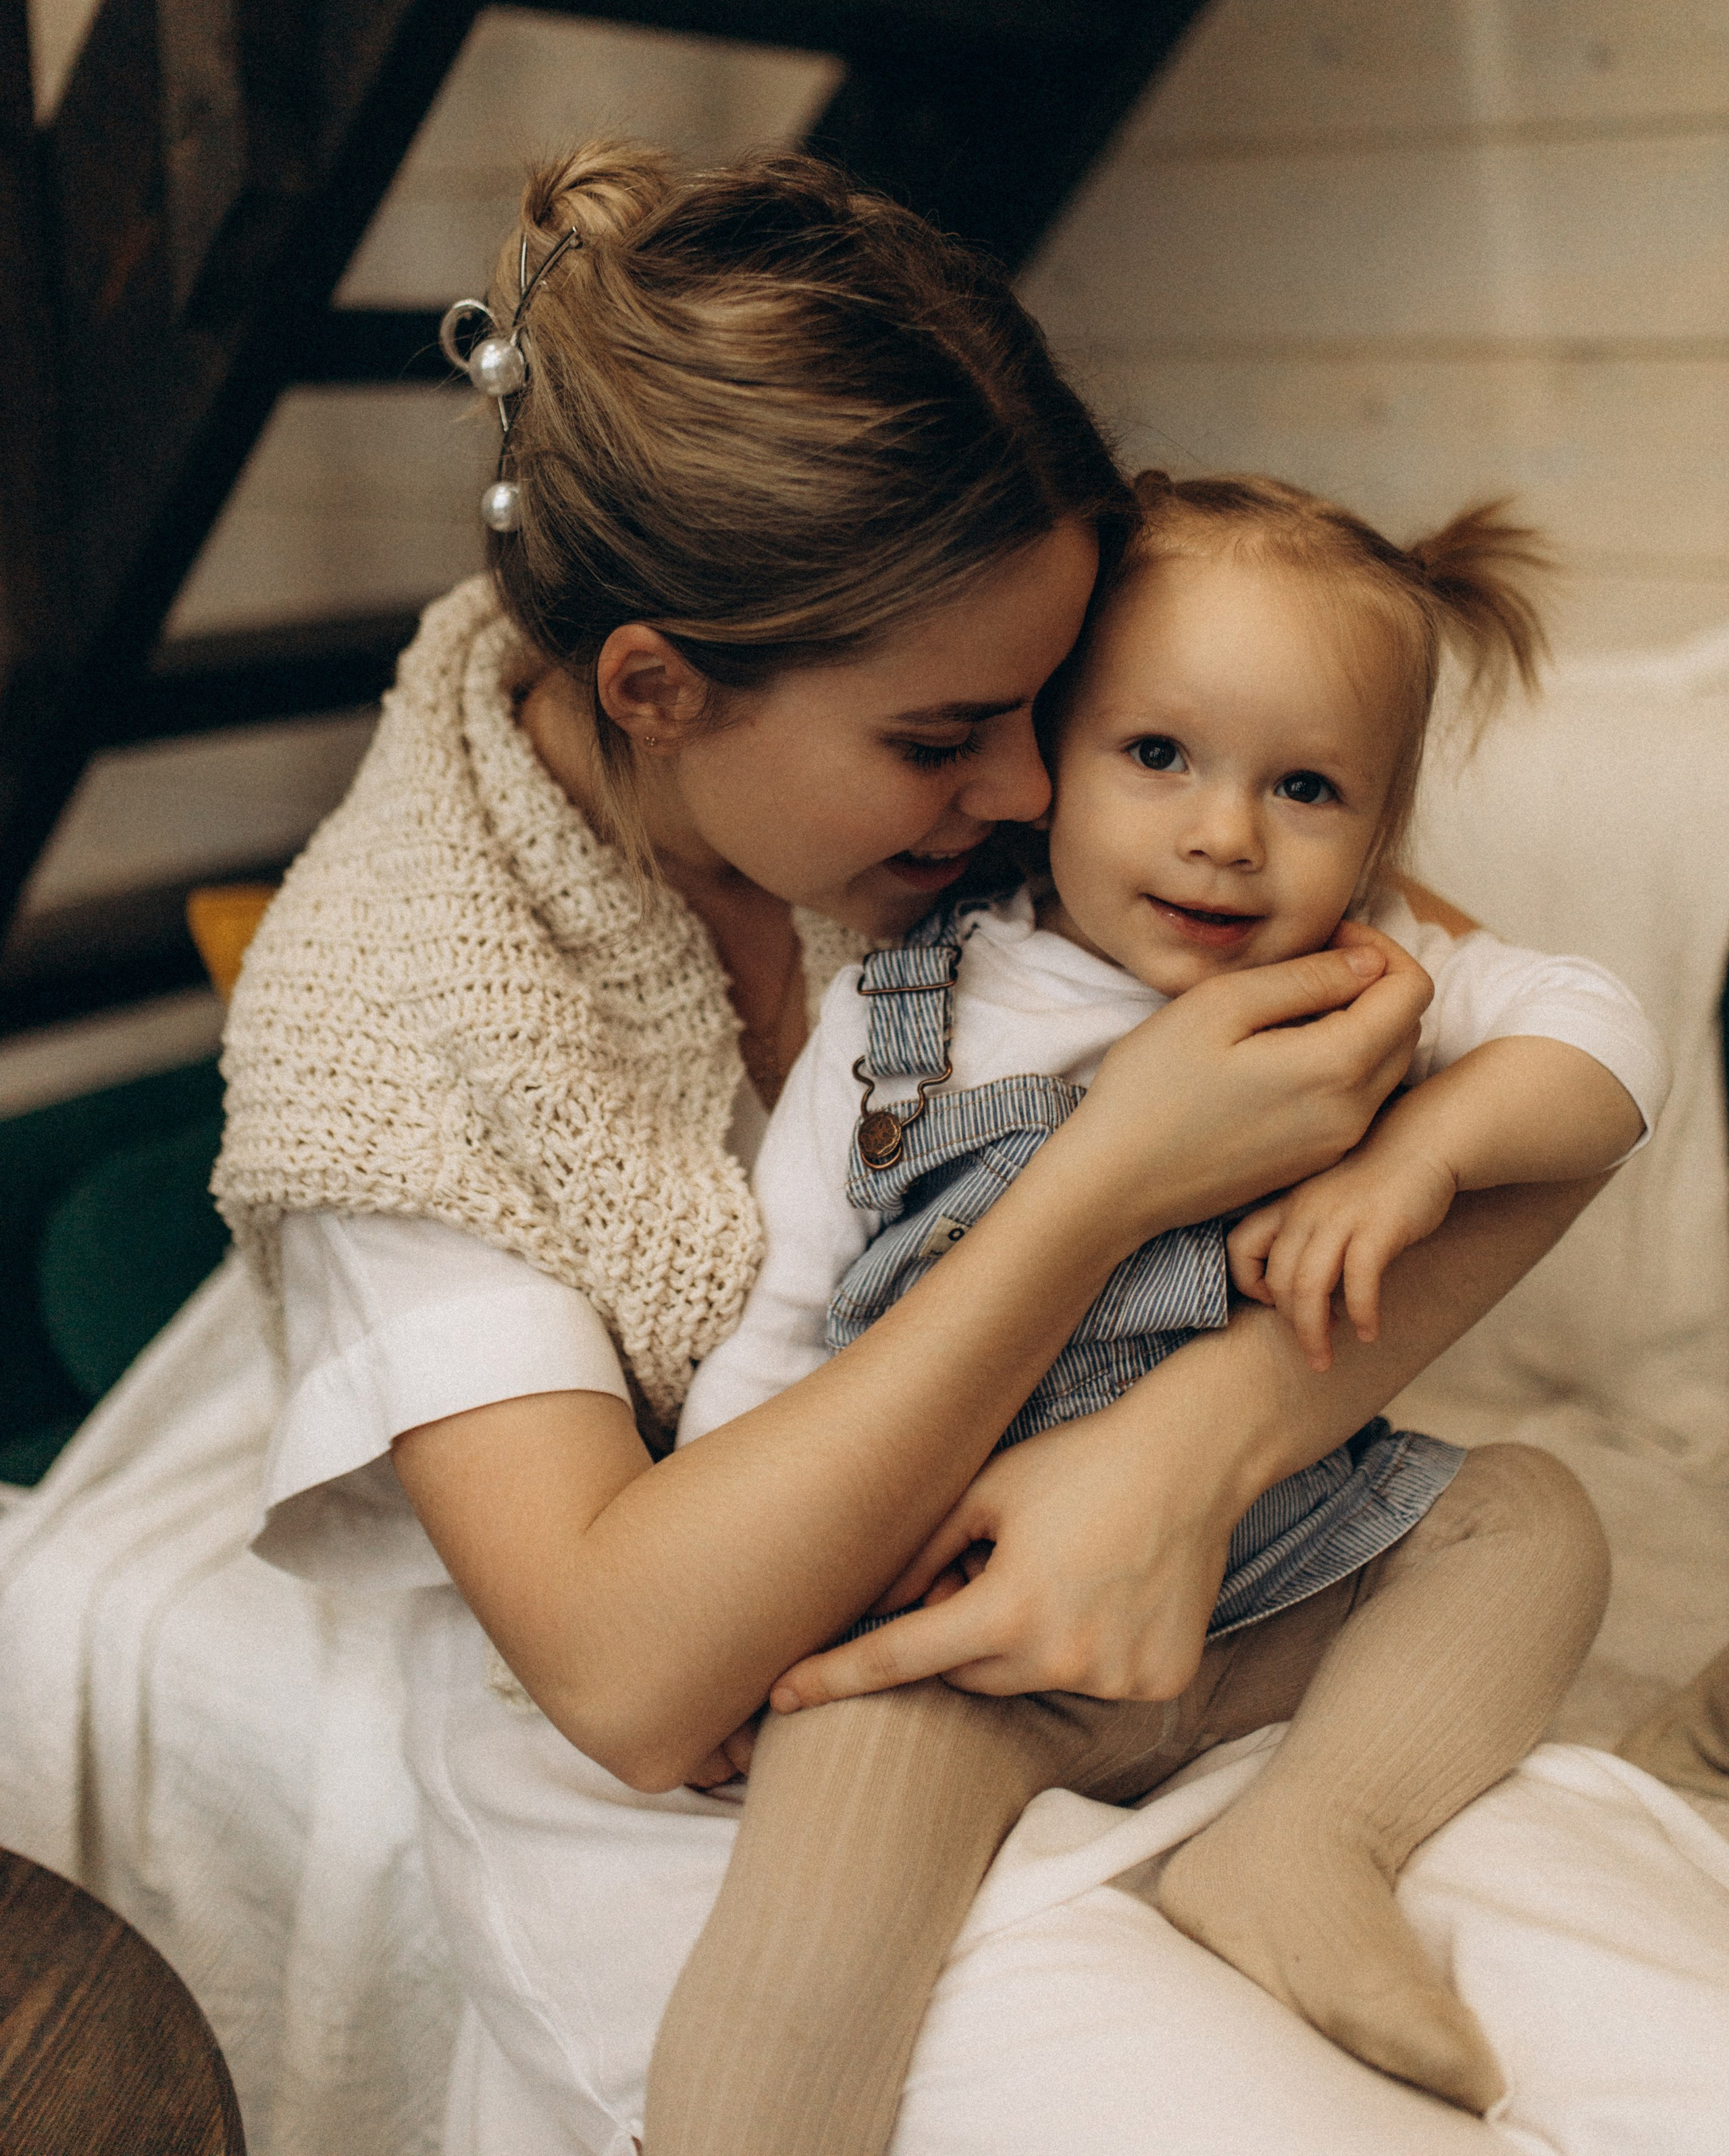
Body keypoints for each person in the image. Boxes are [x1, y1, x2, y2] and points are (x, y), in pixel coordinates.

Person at [215, 145, 1607, 2156]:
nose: (1035, 786)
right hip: (743, 1721)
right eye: (954, 736)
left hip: (1162, 1576)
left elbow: (1498, 1085)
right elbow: (628, 1678)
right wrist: (1102, 1181)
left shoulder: (1017, 747)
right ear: (658, 691)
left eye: (1056, 708)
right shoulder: (395, 1022)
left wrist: (1188, 1445)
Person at [661, 471, 1668, 2151]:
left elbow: (1601, 1040)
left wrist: (1420, 1148)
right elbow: (776, 1336)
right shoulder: (911, 1015)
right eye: (1157, 757)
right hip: (974, 1631)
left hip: (1273, 1568)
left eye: (1305, 787)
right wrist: (745, 1640)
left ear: (1378, 826)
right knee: (830, 1817)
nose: (1226, 834)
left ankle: (1304, 1847)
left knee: (1524, 1518)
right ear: (1043, 754)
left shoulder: (1366, 973)